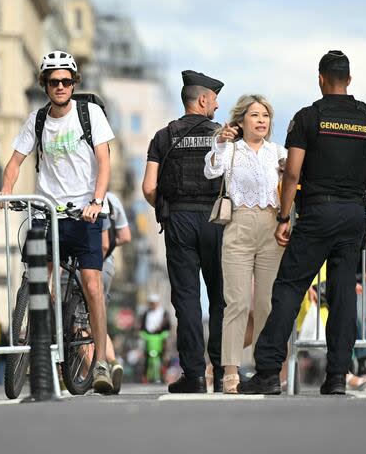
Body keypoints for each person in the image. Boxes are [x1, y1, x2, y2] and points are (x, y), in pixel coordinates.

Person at [238, 50, 366, 395]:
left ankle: (267, 372)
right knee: (342, 297)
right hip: (353, 216)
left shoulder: (308, 118)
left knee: (289, 288)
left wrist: (283, 217)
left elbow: (292, 172)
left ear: (320, 79)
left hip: (317, 214)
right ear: (349, 80)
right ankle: (337, 376)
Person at [0, 50, 115, 394]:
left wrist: (96, 201)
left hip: (84, 211)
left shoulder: (89, 113)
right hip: (45, 210)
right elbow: (15, 162)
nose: (61, 86)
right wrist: (6, 189)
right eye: (54, 82)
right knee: (36, 277)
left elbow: (104, 162)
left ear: (74, 83)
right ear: (45, 86)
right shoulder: (36, 120)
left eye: (66, 81)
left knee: (92, 285)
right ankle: (33, 338)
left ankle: (102, 363)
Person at [142, 70, 225, 393]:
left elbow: (149, 186)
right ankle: (221, 372)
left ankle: (193, 375)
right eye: (215, 99)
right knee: (221, 298)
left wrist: (164, 206)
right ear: (202, 99)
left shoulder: (163, 137)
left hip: (178, 220)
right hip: (217, 220)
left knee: (187, 299)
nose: (217, 106)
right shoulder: (221, 135)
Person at [203, 94, 286, 393]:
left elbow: (291, 184)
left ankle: (265, 370)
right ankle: (230, 372)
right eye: (255, 115)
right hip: (238, 225)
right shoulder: (232, 150)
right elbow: (211, 170)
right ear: (241, 121)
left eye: (265, 115)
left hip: (272, 228)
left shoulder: (278, 152)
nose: (261, 120)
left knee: (265, 303)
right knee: (236, 303)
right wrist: (221, 142)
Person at [101, 190, 132, 393]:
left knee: (80, 325)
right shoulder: (112, 199)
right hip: (108, 265)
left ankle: (101, 372)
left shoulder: (77, 196)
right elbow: (126, 237)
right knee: (97, 320)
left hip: (85, 263)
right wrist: (111, 241)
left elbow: (103, 243)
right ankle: (113, 363)